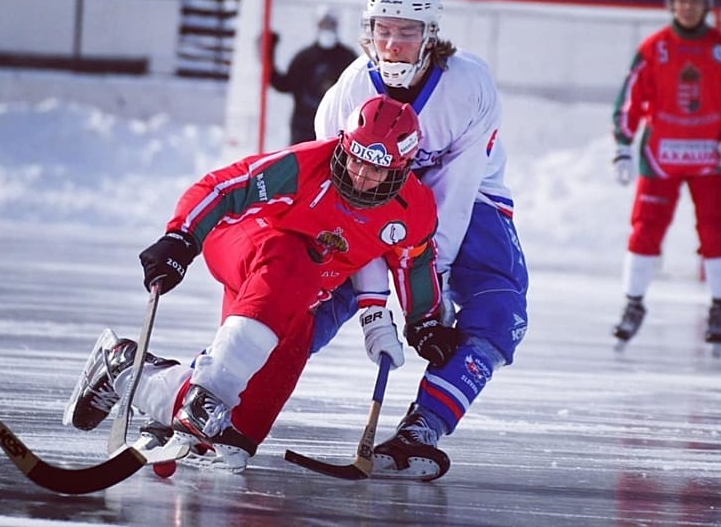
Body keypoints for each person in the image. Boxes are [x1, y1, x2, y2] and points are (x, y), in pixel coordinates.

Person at [65, 94, 444, 472]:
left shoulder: (416, 211)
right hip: (245, 244)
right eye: (355, 159)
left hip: (296, 293)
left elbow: (414, 264)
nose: (359, 176)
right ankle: (208, 392)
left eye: (376, 170)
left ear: (402, 170)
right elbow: (223, 186)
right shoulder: (307, 165)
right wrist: (182, 236)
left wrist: (424, 320)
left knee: (239, 435)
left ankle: (129, 372)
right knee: (294, 258)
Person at [310, 0, 530, 480]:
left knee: (502, 308)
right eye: (383, 30)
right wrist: (372, 308)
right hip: (372, 197)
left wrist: (430, 299)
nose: (393, 44)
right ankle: (225, 387)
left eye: (407, 32)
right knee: (314, 292)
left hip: (470, 196)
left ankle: (424, 425)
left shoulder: (467, 87)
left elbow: (454, 194)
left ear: (430, 35)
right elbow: (349, 206)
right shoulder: (347, 94)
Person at [610, 0, 721, 349]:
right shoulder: (654, 48)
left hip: (710, 157)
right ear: (671, 4)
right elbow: (630, 99)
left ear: (707, 5)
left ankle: (720, 307)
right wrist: (623, 145)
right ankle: (633, 303)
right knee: (645, 228)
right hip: (661, 157)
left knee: (716, 230)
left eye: (695, 1)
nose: (688, 8)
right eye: (682, 1)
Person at [269, 5, 357, 145]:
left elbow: (358, 90)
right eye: (323, 24)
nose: (327, 28)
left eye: (331, 23)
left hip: (336, 130)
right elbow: (284, 85)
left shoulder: (348, 58)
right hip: (304, 128)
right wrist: (269, 53)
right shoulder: (304, 58)